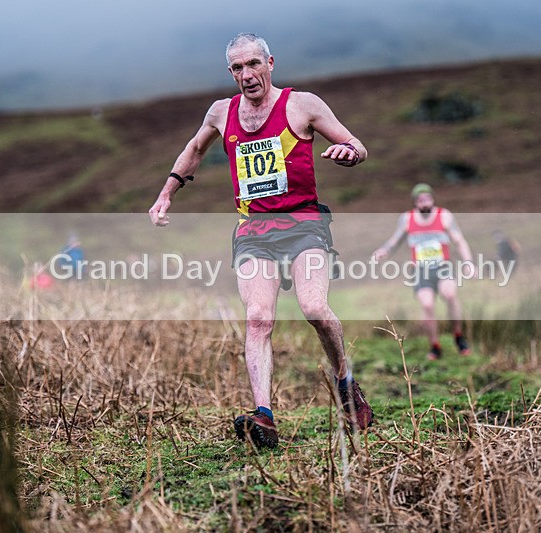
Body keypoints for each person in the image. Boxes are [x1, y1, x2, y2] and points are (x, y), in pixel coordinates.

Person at [148, 33, 373, 449]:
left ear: (270, 63)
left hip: (304, 225)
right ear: (230, 72)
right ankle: (264, 417)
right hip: (253, 230)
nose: (247, 74)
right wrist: (166, 194)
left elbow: (355, 143)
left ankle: (346, 383)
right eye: (237, 67)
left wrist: (350, 153)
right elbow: (194, 149)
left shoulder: (302, 105)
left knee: (314, 309)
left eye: (253, 64)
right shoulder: (221, 112)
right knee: (258, 318)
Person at [373, 183, 473, 360]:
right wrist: (384, 250)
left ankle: (458, 336)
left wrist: (468, 262)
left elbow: (459, 241)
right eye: (420, 200)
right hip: (420, 271)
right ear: (415, 202)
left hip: (443, 267)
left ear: (433, 199)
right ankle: (435, 346)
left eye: (427, 198)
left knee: (450, 295)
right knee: (427, 305)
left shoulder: (444, 216)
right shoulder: (407, 219)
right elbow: (395, 240)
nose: (424, 202)